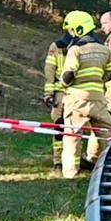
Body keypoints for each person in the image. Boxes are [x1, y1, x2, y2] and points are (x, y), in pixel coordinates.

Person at [59, 10, 111, 178]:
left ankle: (70, 174)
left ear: (78, 30)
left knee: (72, 136)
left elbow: (68, 75)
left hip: (77, 100)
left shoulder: (75, 50)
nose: (69, 34)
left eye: (70, 30)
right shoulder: (104, 49)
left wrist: (62, 85)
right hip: (98, 99)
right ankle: (108, 168)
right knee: (107, 134)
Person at [42, 27, 74, 170]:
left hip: (68, 94)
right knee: (60, 127)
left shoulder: (57, 46)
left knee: (66, 128)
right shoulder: (57, 46)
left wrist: (49, 94)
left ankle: (64, 161)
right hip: (64, 95)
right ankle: (58, 161)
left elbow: (50, 70)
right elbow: (49, 70)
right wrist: (49, 93)